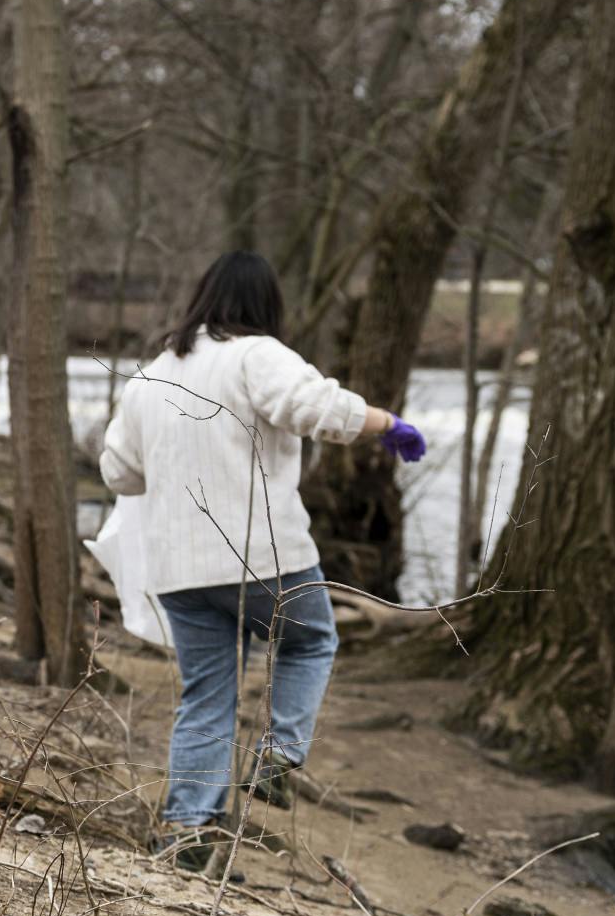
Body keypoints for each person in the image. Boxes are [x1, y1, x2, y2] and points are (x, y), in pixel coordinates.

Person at [98, 252, 426, 865]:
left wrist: (182, 461)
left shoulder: (151, 377)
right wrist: (386, 424)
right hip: (261, 557)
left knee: (206, 695)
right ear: (264, 305)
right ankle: (276, 757)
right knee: (310, 643)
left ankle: (187, 833)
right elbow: (315, 408)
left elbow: (118, 470)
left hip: (181, 571)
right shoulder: (257, 354)